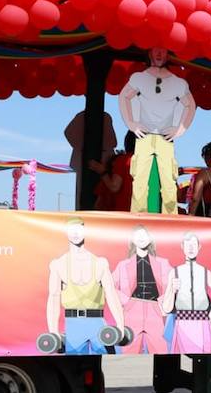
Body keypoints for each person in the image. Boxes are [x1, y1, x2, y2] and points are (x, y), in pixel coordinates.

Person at [118, 48, 197, 214]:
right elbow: (124, 96)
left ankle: (170, 218)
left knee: (169, 181)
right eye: (156, 51)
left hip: (165, 137)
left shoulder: (177, 82)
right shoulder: (139, 78)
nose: (159, 54)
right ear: (150, 54)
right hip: (144, 136)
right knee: (139, 180)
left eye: (163, 51)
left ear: (168, 55)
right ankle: (137, 216)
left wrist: (180, 128)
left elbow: (190, 104)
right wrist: (132, 124)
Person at [46, 219, 124, 354]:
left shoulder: (100, 263)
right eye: (72, 230)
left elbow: (111, 294)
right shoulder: (58, 264)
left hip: (97, 324)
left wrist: (120, 325)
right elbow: (53, 298)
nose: (75, 233)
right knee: (75, 367)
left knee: (105, 363)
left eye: (79, 229)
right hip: (73, 325)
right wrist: (53, 331)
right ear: (66, 233)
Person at [112, 225, 173, 354]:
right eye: (137, 235)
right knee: (130, 349)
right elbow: (110, 287)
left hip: (155, 308)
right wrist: (126, 301)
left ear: (150, 239)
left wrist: (163, 302)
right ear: (132, 240)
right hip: (132, 309)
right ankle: (129, 374)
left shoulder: (163, 263)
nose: (141, 238)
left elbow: (172, 285)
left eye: (144, 235)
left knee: (160, 349)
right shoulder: (123, 265)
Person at [166, 232, 211, 354]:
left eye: (194, 244)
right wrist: (172, 290)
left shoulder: (205, 272)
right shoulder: (175, 272)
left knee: (205, 359)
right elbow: (166, 308)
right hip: (182, 322)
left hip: (202, 323)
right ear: (182, 246)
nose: (191, 248)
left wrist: (210, 317)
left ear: (199, 247)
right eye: (187, 244)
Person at [64, 109, 115, 209]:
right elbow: (113, 141)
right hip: (89, 162)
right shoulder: (104, 117)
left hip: (95, 161)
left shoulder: (103, 116)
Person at [96, 131, 136, 212]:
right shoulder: (148, 162)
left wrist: (103, 172)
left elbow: (115, 187)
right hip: (143, 213)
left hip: (123, 213)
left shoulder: (123, 160)